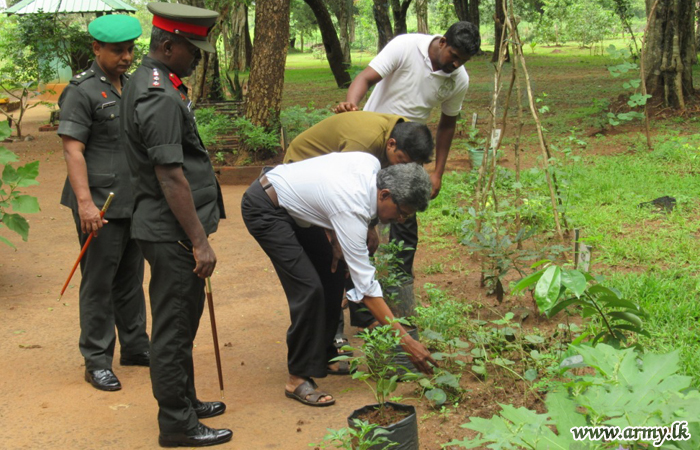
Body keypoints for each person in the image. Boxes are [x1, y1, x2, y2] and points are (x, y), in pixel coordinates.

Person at [241, 152, 438, 407]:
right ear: (385, 194)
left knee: (334, 275)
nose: (400, 220)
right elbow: (366, 289)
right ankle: (297, 377)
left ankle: (323, 355)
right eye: (401, 212)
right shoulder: (352, 207)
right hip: (266, 207)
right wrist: (406, 341)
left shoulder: (372, 165)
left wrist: (337, 230)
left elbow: (328, 181)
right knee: (309, 289)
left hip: (300, 210)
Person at [120, 3, 231, 447]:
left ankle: (185, 399)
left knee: (182, 322)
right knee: (172, 327)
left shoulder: (154, 82)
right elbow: (169, 174)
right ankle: (177, 424)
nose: (198, 58)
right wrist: (199, 241)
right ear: (167, 46)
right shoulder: (159, 95)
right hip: (172, 234)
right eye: (193, 49)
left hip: (168, 229)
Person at [335, 21, 481, 279]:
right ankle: (352, 283)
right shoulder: (405, 46)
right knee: (360, 211)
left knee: (405, 213)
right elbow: (366, 77)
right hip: (372, 141)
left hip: (408, 150)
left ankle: (400, 284)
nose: (456, 65)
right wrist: (351, 105)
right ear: (443, 42)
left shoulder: (459, 79)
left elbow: (448, 124)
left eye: (464, 61)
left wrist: (437, 172)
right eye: (454, 56)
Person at [283, 111, 434, 360]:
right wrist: (338, 234)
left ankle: (364, 319)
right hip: (302, 171)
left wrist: (370, 225)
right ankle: (334, 335)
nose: (401, 168)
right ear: (390, 144)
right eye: (400, 160)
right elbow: (342, 193)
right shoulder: (363, 144)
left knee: (354, 251)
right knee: (332, 257)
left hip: (335, 190)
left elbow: (367, 194)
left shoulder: (404, 135)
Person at [58, 14, 150, 392]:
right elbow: (72, 149)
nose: (126, 57)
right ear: (96, 49)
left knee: (130, 277)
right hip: (99, 205)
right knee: (98, 282)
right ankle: (96, 359)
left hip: (131, 201)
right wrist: (85, 204)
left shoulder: (129, 86)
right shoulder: (80, 92)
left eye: (130, 50)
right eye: (117, 51)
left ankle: (134, 346)